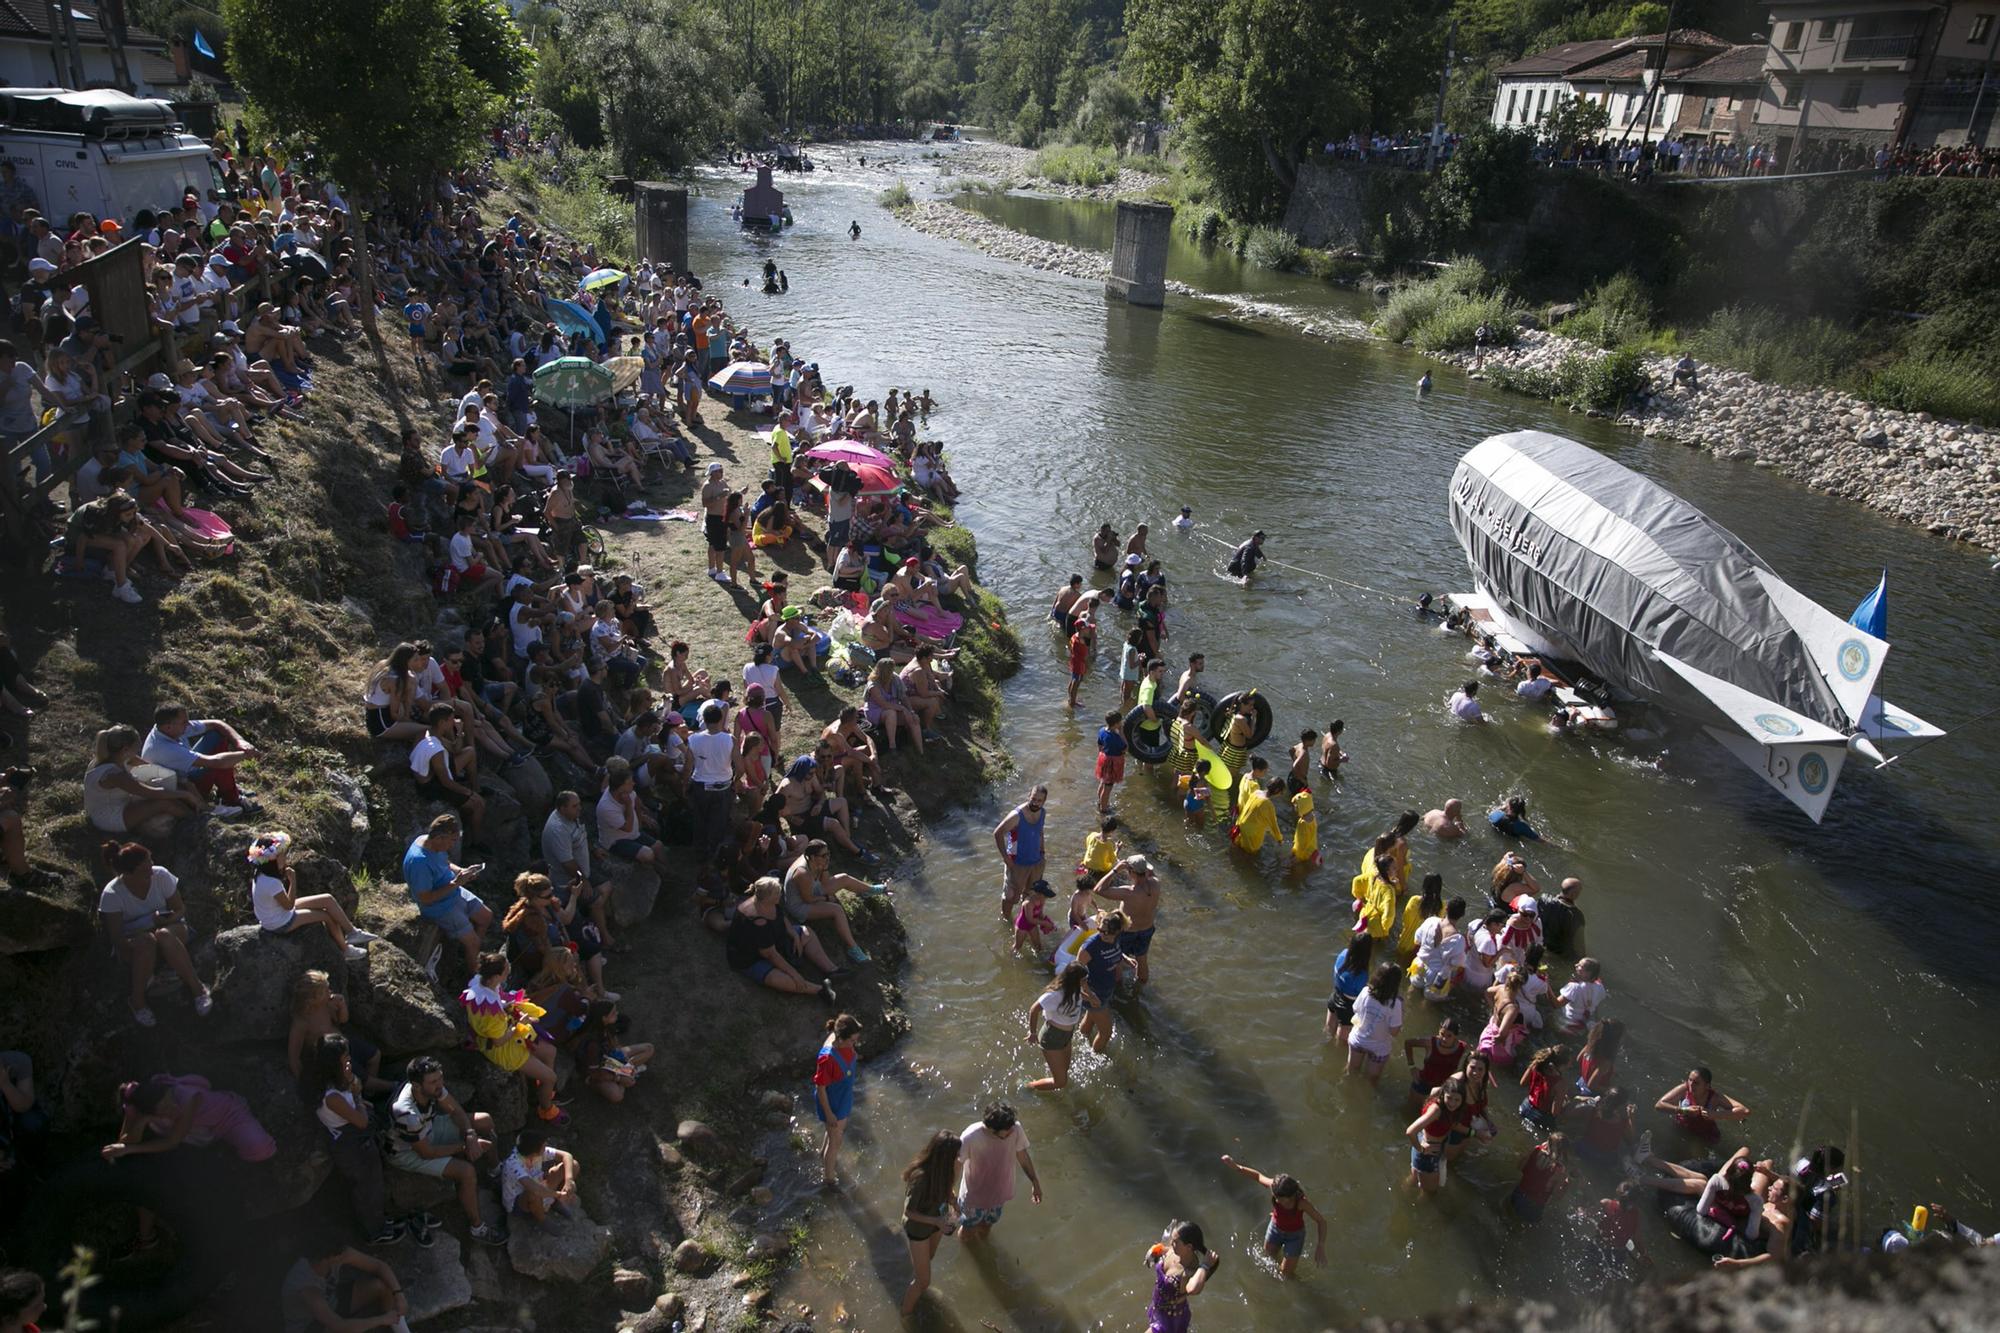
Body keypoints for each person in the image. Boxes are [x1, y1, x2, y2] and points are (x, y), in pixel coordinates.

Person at [388, 1055, 505, 1245]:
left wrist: (469, 1134)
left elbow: (455, 1110)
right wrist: (465, 1147)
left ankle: (495, 1172)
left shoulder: (432, 1089)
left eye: (440, 1078)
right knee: (466, 1172)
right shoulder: (406, 1113)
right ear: (417, 1086)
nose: (439, 1084)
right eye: (434, 1081)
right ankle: (478, 1228)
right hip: (407, 1151)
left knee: (485, 1120)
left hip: (429, 1127)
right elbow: (425, 1153)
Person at [98, 840, 212, 1026]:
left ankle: (198, 989)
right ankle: (138, 1001)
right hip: (137, 942)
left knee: (164, 935)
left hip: (170, 929)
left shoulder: (161, 875)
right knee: (147, 941)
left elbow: (180, 909)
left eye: (151, 861)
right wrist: (140, 943)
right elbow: (117, 938)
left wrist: (168, 920)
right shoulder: (112, 894)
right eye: (145, 868)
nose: (151, 869)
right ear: (128, 873)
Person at [302, 1034, 398, 1245]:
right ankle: (375, 1231)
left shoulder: (334, 1083)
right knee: (367, 1187)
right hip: (352, 1145)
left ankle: (378, 1220)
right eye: (344, 1060)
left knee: (371, 1184)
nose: (348, 1063)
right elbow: (361, 1122)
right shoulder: (332, 1096)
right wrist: (357, 1094)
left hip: (352, 1138)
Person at [462, 952, 567, 1127]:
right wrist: (520, 1022)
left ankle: (542, 1088)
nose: (508, 972)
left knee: (551, 1052)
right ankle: (546, 1109)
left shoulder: (483, 984)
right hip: (503, 1048)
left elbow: (499, 1003)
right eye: (506, 970)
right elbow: (498, 1040)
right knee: (551, 1078)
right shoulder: (489, 1010)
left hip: (507, 1030)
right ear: (496, 976)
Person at [249, 830, 373, 961]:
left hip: (274, 913)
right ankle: (345, 950)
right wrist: (293, 880)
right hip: (279, 922)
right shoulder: (272, 882)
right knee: (326, 916)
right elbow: (289, 906)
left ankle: (352, 932)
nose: (285, 857)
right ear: (272, 860)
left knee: (327, 899)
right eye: (282, 855)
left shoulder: (260, 873)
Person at [104, 1072, 274, 1163]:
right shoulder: (138, 1103)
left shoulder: (188, 1097)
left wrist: (129, 1149)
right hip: (199, 1130)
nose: (171, 1108)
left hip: (228, 1116)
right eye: (164, 1109)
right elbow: (125, 1139)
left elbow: (172, 1141)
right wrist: (142, 1121)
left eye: (168, 1102)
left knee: (260, 1148)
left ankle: (233, 1152)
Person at [402, 814, 491, 979]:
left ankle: (471, 955)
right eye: (452, 840)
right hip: (440, 907)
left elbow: (445, 862)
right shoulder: (419, 863)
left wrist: (459, 871)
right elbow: (426, 899)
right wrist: (457, 883)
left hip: (453, 890)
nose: (453, 844)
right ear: (440, 837)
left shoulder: (431, 843)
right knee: (473, 942)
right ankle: (475, 979)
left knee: (486, 916)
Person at [727, 876, 842, 1004]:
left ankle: (831, 970)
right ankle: (820, 990)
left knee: (806, 932)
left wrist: (794, 934)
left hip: (774, 939)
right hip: (751, 958)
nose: (780, 894)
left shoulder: (766, 902)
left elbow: (781, 917)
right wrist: (794, 974)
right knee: (775, 979)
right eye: (777, 893)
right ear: (767, 897)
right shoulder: (758, 921)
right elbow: (770, 955)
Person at [279, 1233, 414, 1333]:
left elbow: (378, 1266)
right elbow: (339, 1326)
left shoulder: (336, 1253)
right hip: (311, 1326)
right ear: (327, 1258)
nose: (345, 1256)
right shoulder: (307, 1288)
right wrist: (383, 1319)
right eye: (339, 1255)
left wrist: (398, 1294)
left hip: (332, 1301)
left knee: (381, 1287)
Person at [141, 703, 258, 816]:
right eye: (184, 722)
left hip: (183, 777)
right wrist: (246, 754)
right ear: (168, 726)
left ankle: (228, 789)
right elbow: (216, 762)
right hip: (183, 790)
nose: (188, 725)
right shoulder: (165, 749)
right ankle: (232, 799)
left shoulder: (166, 730)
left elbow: (216, 724)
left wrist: (239, 740)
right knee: (214, 764)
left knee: (215, 735)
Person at [1220, 1155, 1327, 1276]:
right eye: (1275, 1197)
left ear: (1290, 1197)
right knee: (1268, 1258)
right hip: (1275, 1229)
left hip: (1295, 1236)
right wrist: (1236, 1167)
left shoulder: (1301, 1202)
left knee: (1285, 1274)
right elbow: (1258, 1176)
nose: (1276, 1201)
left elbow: (1321, 1221)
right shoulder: (1275, 1186)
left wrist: (1321, 1246)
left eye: (1279, 1199)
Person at [957, 1104, 1042, 1243]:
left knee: (987, 1226)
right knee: (968, 1230)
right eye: (1006, 1131)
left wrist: (1035, 1182)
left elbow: (1023, 1156)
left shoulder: (1014, 1128)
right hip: (973, 1198)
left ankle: (984, 1249)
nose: (1011, 1132)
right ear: (991, 1129)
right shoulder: (969, 1137)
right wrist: (949, 1193)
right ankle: (969, 1253)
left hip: (999, 1195)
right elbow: (956, 1166)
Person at [900, 1130, 962, 1314]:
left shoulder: (946, 1169)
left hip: (936, 1222)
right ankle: (904, 1316)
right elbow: (909, 1212)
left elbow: (948, 1189)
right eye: (955, 1155)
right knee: (923, 1282)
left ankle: (918, 1278)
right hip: (918, 1228)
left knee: (929, 1258)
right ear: (945, 1157)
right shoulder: (920, 1178)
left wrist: (953, 1200)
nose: (958, 1158)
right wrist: (936, 1220)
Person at [1026, 962, 1098, 1091]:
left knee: (1065, 1069)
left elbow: (1087, 998)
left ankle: (1052, 1072)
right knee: (1060, 1083)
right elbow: (1033, 1010)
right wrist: (1032, 1033)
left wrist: (1088, 993)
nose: (1086, 981)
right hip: (1052, 1037)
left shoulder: (1076, 990)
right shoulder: (1055, 995)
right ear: (1074, 980)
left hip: (1066, 1035)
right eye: (1084, 980)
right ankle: (1027, 1086)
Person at [1091, 855, 1162, 986]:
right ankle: (1141, 985)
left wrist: (1116, 869)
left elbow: (1098, 889)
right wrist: (1140, 866)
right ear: (1145, 871)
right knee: (1142, 958)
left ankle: (1118, 984)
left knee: (1117, 957)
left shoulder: (1128, 892)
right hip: (1147, 929)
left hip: (1127, 931)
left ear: (1131, 873)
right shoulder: (1156, 884)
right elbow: (1150, 873)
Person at [812, 1013, 861, 1187]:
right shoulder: (827, 1059)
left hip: (843, 1095)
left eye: (856, 1041)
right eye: (851, 1042)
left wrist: (851, 1049)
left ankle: (823, 1155)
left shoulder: (840, 1037)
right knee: (836, 1141)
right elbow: (821, 1089)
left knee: (833, 1135)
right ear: (840, 1039)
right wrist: (829, 1113)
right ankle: (829, 1180)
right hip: (832, 1101)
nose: (854, 1046)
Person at [1144, 1220, 1219, 1333]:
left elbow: (1193, 1289)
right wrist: (1156, 1251)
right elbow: (1165, 1249)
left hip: (1170, 1320)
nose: (1171, 1243)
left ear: (1188, 1246)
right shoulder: (1174, 1250)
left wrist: (1205, 1265)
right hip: (1158, 1308)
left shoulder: (1189, 1271)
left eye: (1175, 1242)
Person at [499, 1127, 579, 1225]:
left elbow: (567, 1156)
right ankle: (542, 1220)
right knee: (533, 1194)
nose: (546, 1145)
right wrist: (559, 1195)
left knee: (573, 1165)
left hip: (539, 1185)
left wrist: (569, 1180)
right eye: (543, 1145)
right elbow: (536, 1190)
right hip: (521, 1202)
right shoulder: (513, 1164)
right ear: (534, 1151)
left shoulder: (533, 1151)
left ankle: (554, 1203)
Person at [992, 785, 1048, 924]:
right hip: (1017, 863)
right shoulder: (1017, 815)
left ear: (1044, 801)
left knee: (1030, 895)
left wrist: (1042, 853)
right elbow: (997, 833)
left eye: (1039, 800)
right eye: (1033, 799)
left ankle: (1025, 920)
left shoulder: (1042, 813)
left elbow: (1040, 833)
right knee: (1011, 897)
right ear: (1029, 796)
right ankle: (1006, 920)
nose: (1035, 803)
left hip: (1036, 862)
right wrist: (1006, 859)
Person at [1655, 1066, 1750, 1143]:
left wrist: (1715, 1115)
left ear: (1707, 1086)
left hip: (1705, 1133)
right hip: (1682, 1127)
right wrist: (1683, 1110)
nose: (1691, 1084)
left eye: (1696, 1083)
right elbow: (1659, 1105)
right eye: (1690, 1080)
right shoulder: (1684, 1089)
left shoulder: (1715, 1097)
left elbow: (1745, 1111)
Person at [1405, 1074, 1465, 1194]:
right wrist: (1421, 1149)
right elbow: (1410, 1131)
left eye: (1457, 1100)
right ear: (1443, 1094)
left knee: (1413, 1179)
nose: (1452, 1103)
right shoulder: (1436, 1110)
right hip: (1427, 1154)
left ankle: (1403, 1197)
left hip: (1425, 1143)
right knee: (1429, 1193)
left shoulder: (1438, 1095)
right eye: (1450, 1098)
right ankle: (1415, 1209)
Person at [1346, 962, 1405, 1084]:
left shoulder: (1365, 991)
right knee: (1371, 1080)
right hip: (1379, 1048)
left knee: (1351, 1071)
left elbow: (1355, 1009)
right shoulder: (1395, 1003)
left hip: (1358, 1040)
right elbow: (1394, 1032)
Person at [1324, 931, 1373, 1046]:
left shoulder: (1343, 954)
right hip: (1348, 1006)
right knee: (1341, 1040)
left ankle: (1326, 1045)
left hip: (1335, 996)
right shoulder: (1361, 974)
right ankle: (1336, 1053)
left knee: (1329, 1029)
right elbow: (1361, 994)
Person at [1404, 1017, 1465, 1105]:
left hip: (1443, 1088)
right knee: (1411, 1112)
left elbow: (1471, 1060)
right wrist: (1412, 1067)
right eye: (1442, 1034)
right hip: (1422, 1084)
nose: (1444, 1039)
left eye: (1449, 1036)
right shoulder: (1430, 1043)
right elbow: (1408, 1043)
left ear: (1456, 1036)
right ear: (1438, 1031)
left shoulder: (1462, 1048)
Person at [1511, 1133, 1571, 1224]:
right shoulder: (1559, 1170)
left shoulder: (1536, 1150)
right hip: (1534, 1206)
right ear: (1564, 1152)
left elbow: (1519, 1166)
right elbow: (1557, 1196)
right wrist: (1567, 1184)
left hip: (1518, 1194)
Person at [1556, 957, 1606, 1035]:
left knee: (1549, 1018)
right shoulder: (1600, 987)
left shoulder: (1574, 987)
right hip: (1587, 1022)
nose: (1576, 965)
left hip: (1568, 1023)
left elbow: (1556, 1004)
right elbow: (1596, 1006)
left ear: (1587, 973)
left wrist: (1547, 987)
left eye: (1580, 966)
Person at [1537, 877, 1586, 957]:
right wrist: (1583, 958)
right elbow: (1579, 943)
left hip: (1539, 944)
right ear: (1574, 894)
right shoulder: (1576, 916)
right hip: (1558, 953)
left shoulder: (1544, 899)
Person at [1012, 879, 1057, 955]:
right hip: (1022, 926)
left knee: (1038, 946)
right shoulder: (1028, 903)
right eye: (1045, 895)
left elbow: (1040, 914)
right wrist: (1044, 923)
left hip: (1032, 925)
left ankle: (1039, 958)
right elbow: (1030, 919)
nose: (1046, 898)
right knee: (1017, 947)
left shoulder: (1042, 900)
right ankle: (1010, 959)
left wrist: (1049, 923)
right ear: (1038, 894)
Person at [1094, 710, 1127, 812]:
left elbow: (1100, 744)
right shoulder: (1116, 737)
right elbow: (1125, 748)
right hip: (1112, 763)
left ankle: (1100, 802)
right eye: (1120, 722)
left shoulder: (1102, 731)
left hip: (1103, 759)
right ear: (1116, 724)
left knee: (1103, 782)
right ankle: (1103, 809)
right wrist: (1122, 733)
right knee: (1108, 788)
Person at [1289, 777, 1318, 865]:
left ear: (1302, 808)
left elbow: (1301, 842)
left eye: (1296, 808)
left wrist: (1297, 856)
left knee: (1295, 868)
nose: (1295, 810)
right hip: (1311, 848)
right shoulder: (1313, 817)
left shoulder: (1302, 823)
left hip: (1301, 853)